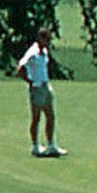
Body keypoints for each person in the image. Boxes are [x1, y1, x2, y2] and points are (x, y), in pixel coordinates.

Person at [16, 29, 66, 158]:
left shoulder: (44, 52)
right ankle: (35, 146)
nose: (48, 42)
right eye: (47, 40)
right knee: (36, 118)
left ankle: (51, 145)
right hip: (37, 88)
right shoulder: (32, 52)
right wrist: (30, 81)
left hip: (45, 86)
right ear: (40, 39)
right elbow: (20, 67)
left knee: (50, 116)